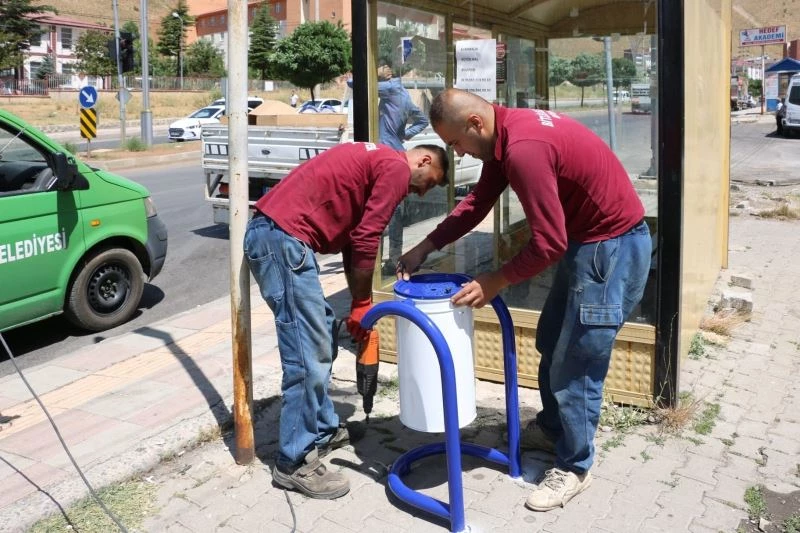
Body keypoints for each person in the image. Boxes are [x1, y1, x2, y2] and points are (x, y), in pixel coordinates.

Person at [398, 88, 651, 512]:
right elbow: (478, 203)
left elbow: (547, 242)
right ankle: (554, 428)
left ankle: (574, 465)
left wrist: (495, 280)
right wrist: (426, 245)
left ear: (475, 124)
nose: (457, 154)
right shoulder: (504, 135)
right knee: (552, 339)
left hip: (611, 249)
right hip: (586, 242)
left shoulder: (523, 150)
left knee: (578, 363)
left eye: (457, 143)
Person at [245, 141, 448, 500]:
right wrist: (362, 302)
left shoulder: (378, 162)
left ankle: (322, 429)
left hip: (283, 238)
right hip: (282, 240)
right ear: (425, 160)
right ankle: (292, 461)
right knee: (308, 356)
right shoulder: (397, 168)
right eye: (431, 181)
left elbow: (356, 238)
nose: (422, 190)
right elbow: (368, 237)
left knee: (320, 333)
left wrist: (359, 304)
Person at [376, 58, 430, 275]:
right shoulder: (404, 93)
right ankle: (393, 258)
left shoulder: (388, 88)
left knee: (379, 210)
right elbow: (423, 120)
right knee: (395, 211)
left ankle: (376, 258)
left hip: (383, 156)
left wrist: (374, 75)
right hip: (397, 152)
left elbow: (356, 86)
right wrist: (404, 135)